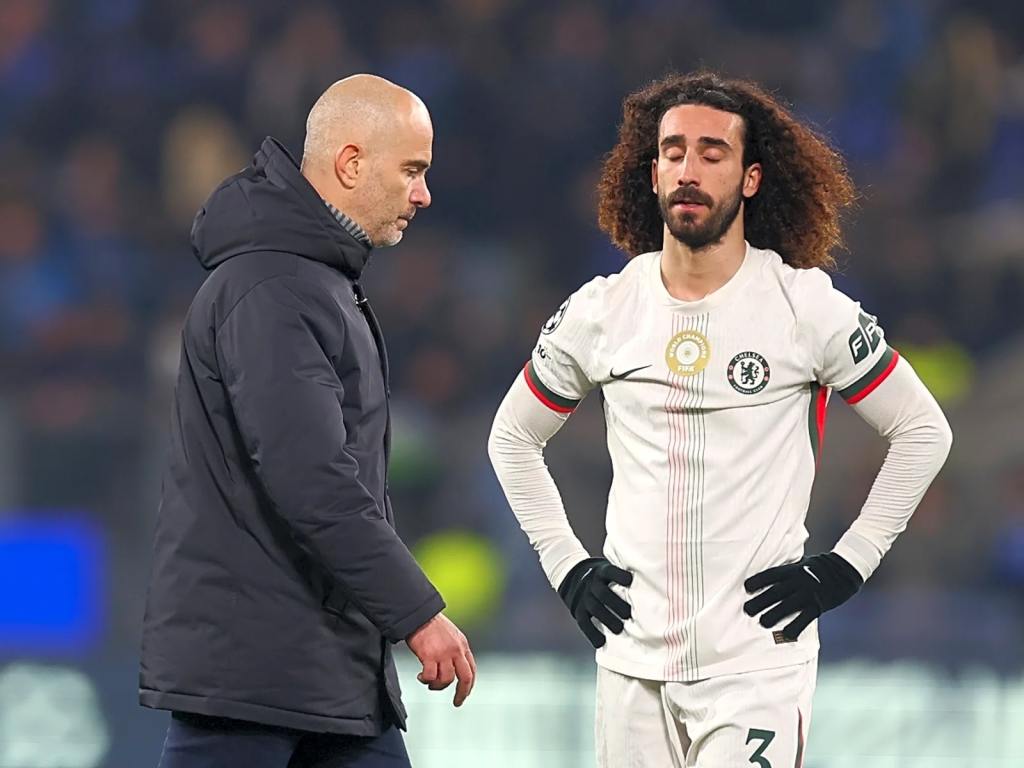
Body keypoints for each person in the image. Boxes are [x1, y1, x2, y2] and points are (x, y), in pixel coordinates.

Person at [487, 70, 952, 767]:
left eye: (712, 153)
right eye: (672, 152)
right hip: (630, 665)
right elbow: (513, 435)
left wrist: (847, 567)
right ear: (650, 175)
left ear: (752, 178)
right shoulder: (602, 311)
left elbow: (923, 431)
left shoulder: (806, 308)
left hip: (755, 667)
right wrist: (566, 566)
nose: (689, 169)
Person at [140, 74, 476, 768]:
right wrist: (415, 613)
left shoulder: (314, 283)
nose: (424, 194)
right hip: (251, 687)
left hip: (326, 677)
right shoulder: (272, 288)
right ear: (351, 163)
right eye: (412, 170)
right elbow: (311, 478)